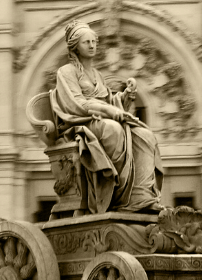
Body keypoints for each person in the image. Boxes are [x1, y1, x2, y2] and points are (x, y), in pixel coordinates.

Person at [52, 21, 165, 214]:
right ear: (75, 47)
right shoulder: (66, 72)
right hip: (83, 123)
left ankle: (140, 195)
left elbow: (110, 102)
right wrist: (111, 112)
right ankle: (116, 196)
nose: (92, 45)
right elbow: (78, 104)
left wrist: (126, 95)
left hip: (102, 120)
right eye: (86, 42)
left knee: (145, 135)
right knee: (113, 130)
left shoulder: (97, 74)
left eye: (93, 41)